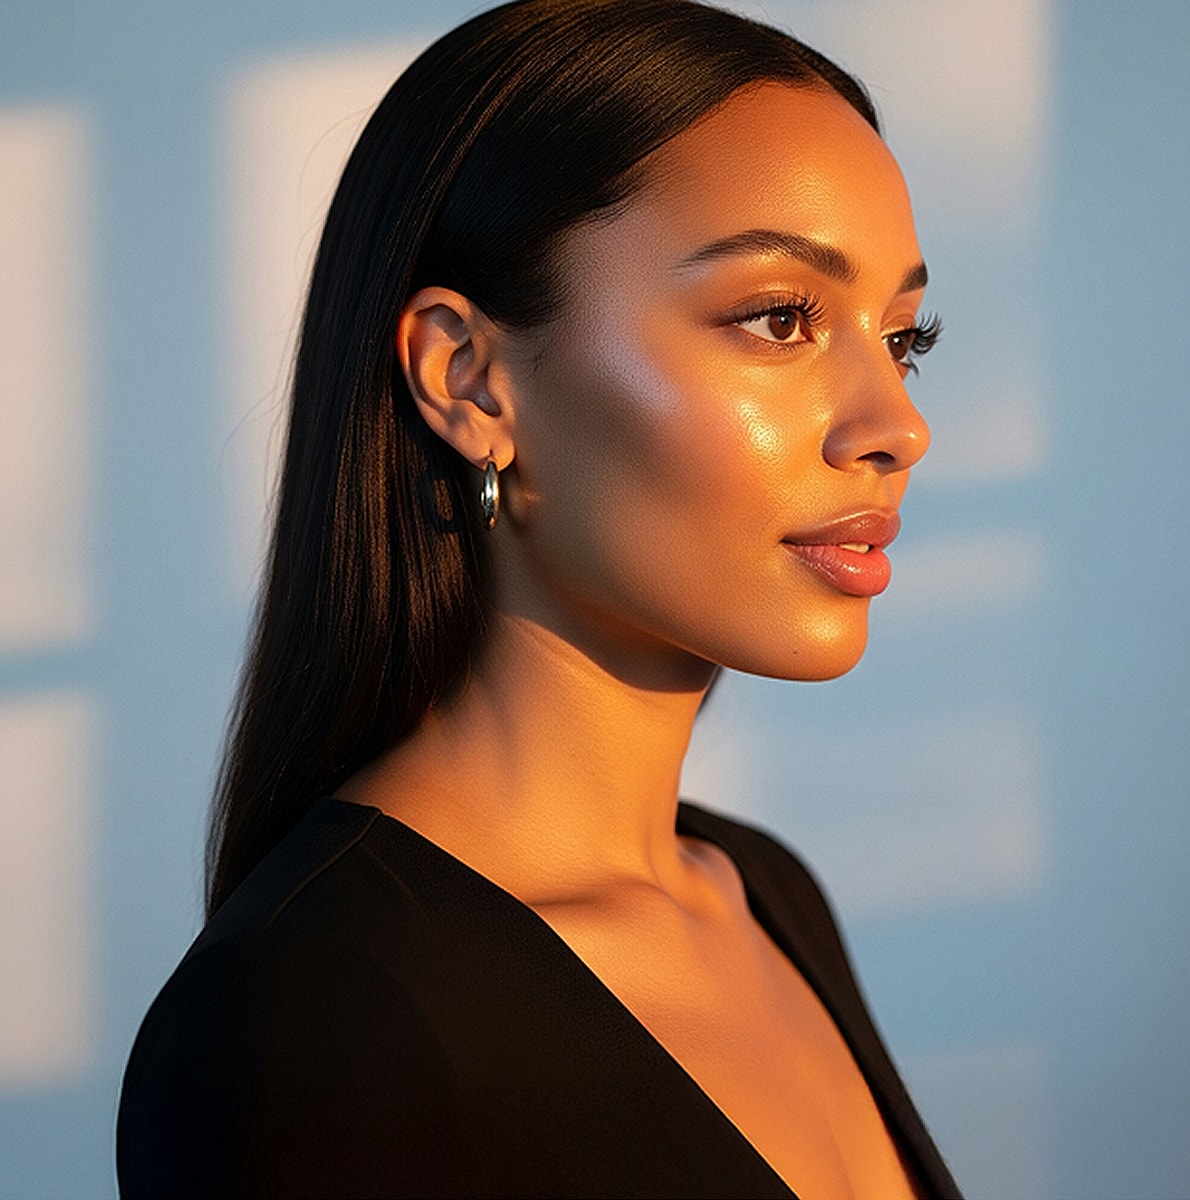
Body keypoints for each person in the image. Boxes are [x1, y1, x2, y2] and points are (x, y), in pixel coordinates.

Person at [117, 1, 959, 1196]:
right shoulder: (316, 1026)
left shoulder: (760, 895)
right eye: (779, 319)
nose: (898, 427)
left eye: (901, 339)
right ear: (468, 380)